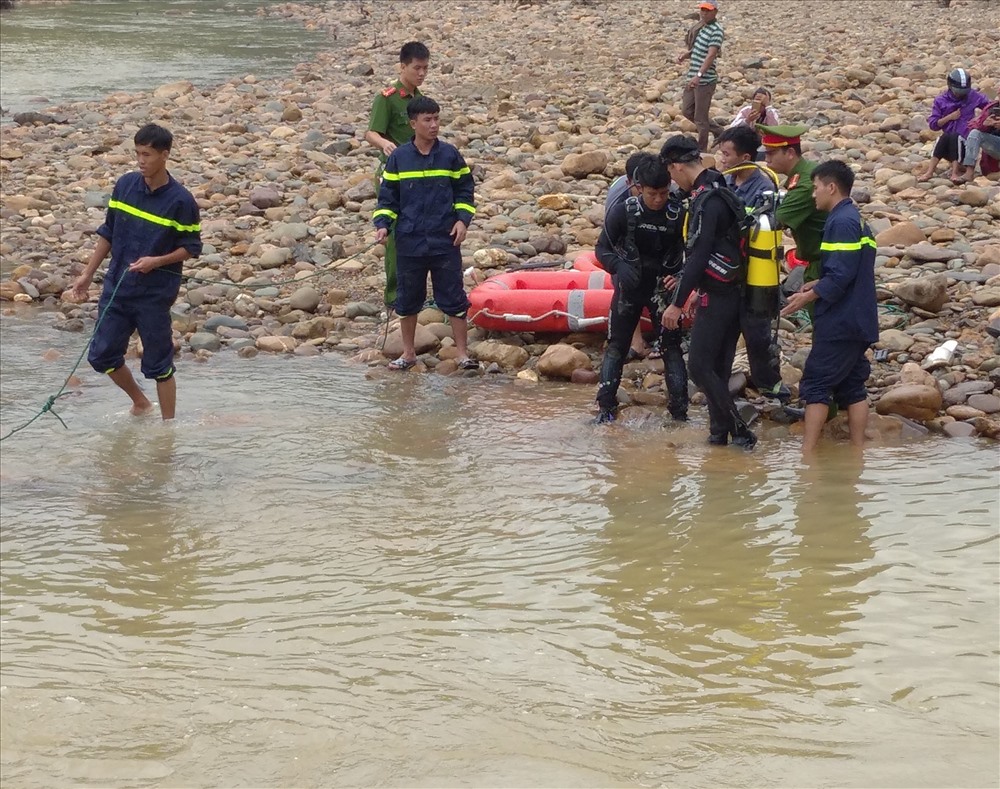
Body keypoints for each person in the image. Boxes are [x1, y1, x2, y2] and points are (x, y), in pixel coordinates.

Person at [68, 123, 201, 420]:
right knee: (101, 356)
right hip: (117, 287)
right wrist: (88, 274)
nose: (141, 161)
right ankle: (141, 403)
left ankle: (168, 431)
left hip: (154, 295)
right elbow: (108, 233)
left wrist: (156, 261)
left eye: (148, 154)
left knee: (158, 365)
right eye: (138, 153)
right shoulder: (125, 185)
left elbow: (190, 248)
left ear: (165, 155)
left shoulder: (181, 201)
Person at [659, 135, 757, 448]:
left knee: (699, 367)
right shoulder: (720, 186)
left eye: (671, 173)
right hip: (735, 292)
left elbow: (698, 257)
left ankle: (740, 431)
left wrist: (676, 304)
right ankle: (719, 435)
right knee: (719, 368)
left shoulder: (706, 200)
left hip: (718, 295)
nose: (672, 180)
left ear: (676, 166)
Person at [373, 96, 478, 372]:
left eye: (437, 119)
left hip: (445, 238)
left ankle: (463, 355)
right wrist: (383, 224)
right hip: (409, 241)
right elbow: (388, 198)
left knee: (454, 297)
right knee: (408, 299)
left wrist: (463, 221)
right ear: (413, 124)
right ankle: (408, 354)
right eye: (427, 120)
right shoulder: (398, 158)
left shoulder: (450, 155)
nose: (434, 125)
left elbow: (465, 191)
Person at [781, 160, 877, 455]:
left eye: (817, 188)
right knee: (852, 386)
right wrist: (818, 282)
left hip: (842, 321)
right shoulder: (855, 219)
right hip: (858, 318)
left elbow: (841, 275)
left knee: (817, 382)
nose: (814, 195)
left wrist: (808, 296)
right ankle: (856, 455)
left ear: (831, 188)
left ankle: (807, 457)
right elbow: (849, 269)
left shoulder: (841, 222)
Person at [593, 157, 687, 425]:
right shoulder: (624, 211)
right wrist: (618, 267)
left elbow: (693, 252)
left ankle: (679, 414)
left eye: (663, 194)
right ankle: (605, 409)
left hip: (662, 289)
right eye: (652, 194)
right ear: (639, 188)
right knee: (616, 347)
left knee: (671, 349)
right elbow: (602, 249)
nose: (658, 200)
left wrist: (679, 277)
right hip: (629, 285)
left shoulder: (679, 214)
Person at [714, 125, 790, 402]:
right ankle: (717, 383)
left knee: (757, 336)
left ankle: (769, 384)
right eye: (720, 153)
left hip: (756, 275)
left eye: (726, 154)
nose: (721, 159)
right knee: (723, 334)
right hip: (727, 273)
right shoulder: (724, 182)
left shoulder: (764, 187)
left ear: (745, 157)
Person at [365, 41, 430, 307]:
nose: (422, 73)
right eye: (417, 68)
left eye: (426, 68)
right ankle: (395, 295)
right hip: (392, 174)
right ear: (403, 66)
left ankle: (416, 291)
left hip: (417, 174)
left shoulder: (418, 99)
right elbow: (370, 132)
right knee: (394, 234)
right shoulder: (387, 98)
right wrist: (384, 144)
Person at [759, 123, 828, 288]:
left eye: (771, 153)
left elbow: (774, 222)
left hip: (825, 263)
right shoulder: (804, 172)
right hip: (823, 258)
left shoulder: (804, 184)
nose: (766, 159)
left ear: (790, 153)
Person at [606, 151, 660, 360]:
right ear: (631, 183)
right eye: (643, 191)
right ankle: (635, 341)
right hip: (626, 246)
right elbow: (610, 245)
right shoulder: (618, 202)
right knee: (625, 280)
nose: (654, 199)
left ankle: (663, 337)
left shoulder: (662, 191)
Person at [918, 68, 991, 183]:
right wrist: (949, 117)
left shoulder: (973, 96)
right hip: (948, 145)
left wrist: (983, 119)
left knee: (954, 137)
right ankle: (930, 171)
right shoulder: (941, 100)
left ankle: (954, 172)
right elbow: (933, 125)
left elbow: (989, 107)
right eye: (957, 91)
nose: (960, 95)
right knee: (945, 137)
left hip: (965, 145)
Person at [675, 0, 725, 152]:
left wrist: (699, 75)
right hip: (693, 76)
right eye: (702, 10)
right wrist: (686, 55)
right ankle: (719, 131)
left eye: (707, 10)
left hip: (705, 80)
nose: (704, 13)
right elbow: (699, 49)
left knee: (700, 118)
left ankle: (701, 150)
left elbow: (710, 55)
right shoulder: (703, 27)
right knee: (687, 110)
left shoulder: (716, 30)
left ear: (715, 12)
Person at [955, 100, 1000, 183]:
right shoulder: (992, 108)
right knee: (975, 133)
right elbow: (973, 125)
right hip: (996, 145)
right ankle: (969, 172)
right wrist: (985, 125)